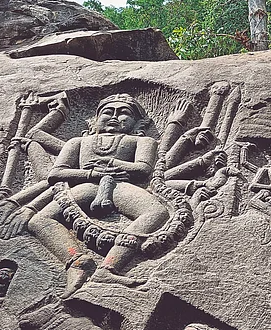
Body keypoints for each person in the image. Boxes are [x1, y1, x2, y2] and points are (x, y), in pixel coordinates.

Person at [27, 93, 169, 296]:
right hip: (88, 184)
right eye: (107, 112)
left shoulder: (142, 141)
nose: (114, 117)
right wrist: (92, 173)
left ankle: (108, 267)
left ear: (137, 123)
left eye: (123, 113)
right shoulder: (77, 142)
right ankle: (77, 261)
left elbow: (143, 169)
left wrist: (112, 163)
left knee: (156, 213)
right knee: (39, 221)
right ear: (95, 120)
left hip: (120, 185)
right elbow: (56, 173)